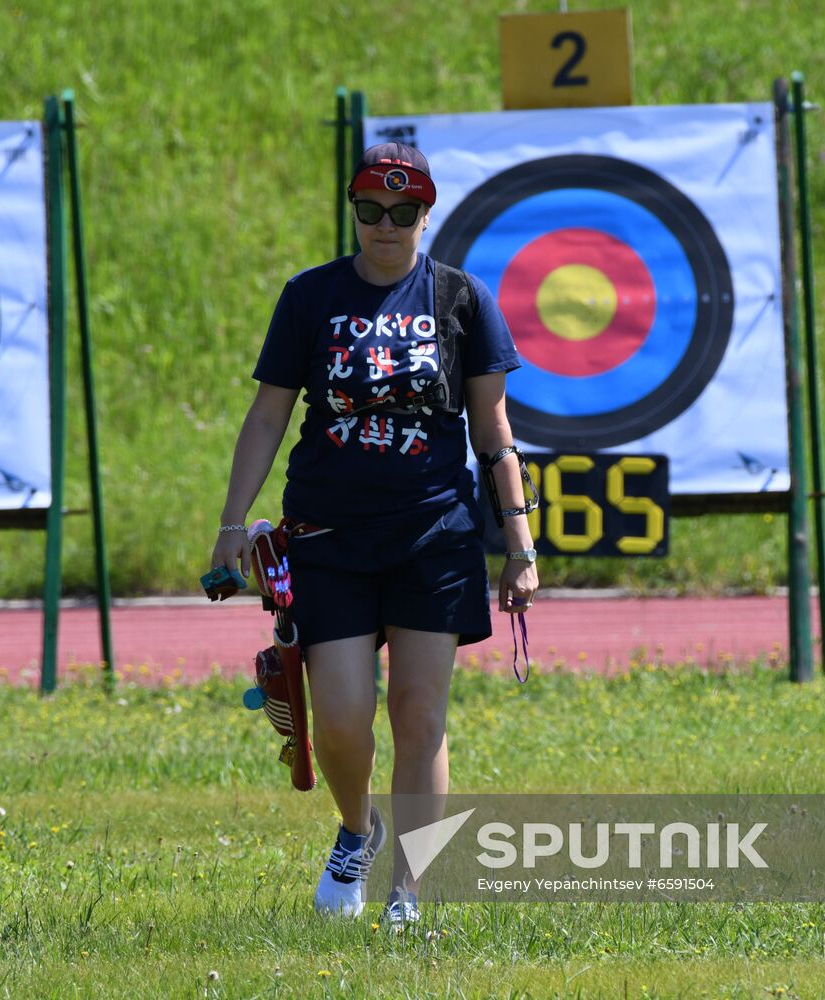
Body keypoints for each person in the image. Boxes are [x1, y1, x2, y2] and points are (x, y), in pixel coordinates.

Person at [210, 142, 538, 926]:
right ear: (352, 210)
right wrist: (230, 523)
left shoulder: (461, 298)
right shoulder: (309, 296)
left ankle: (408, 891)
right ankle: (358, 828)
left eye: (403, 212)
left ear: (426, 214)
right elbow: (267, 415)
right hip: (328, 532)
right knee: (341, 722)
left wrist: (519, 542)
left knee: (419, 717)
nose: (384, 226)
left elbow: (492, 425)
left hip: (434, 531)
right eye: (369, 210)